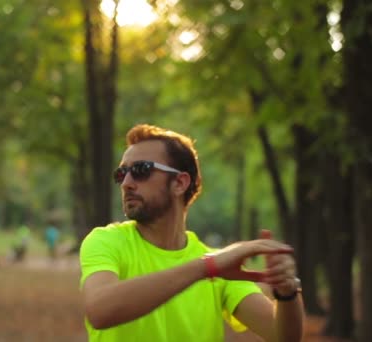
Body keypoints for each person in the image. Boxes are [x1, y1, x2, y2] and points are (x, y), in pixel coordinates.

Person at [79, 124, 305, 341]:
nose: (126, 183)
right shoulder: (106, 241)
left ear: (179, 183)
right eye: (122, 173)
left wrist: (287, 292)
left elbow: (282, 336)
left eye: (141, 170)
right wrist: (206, 268)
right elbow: (100, 310)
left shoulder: (220, 266)